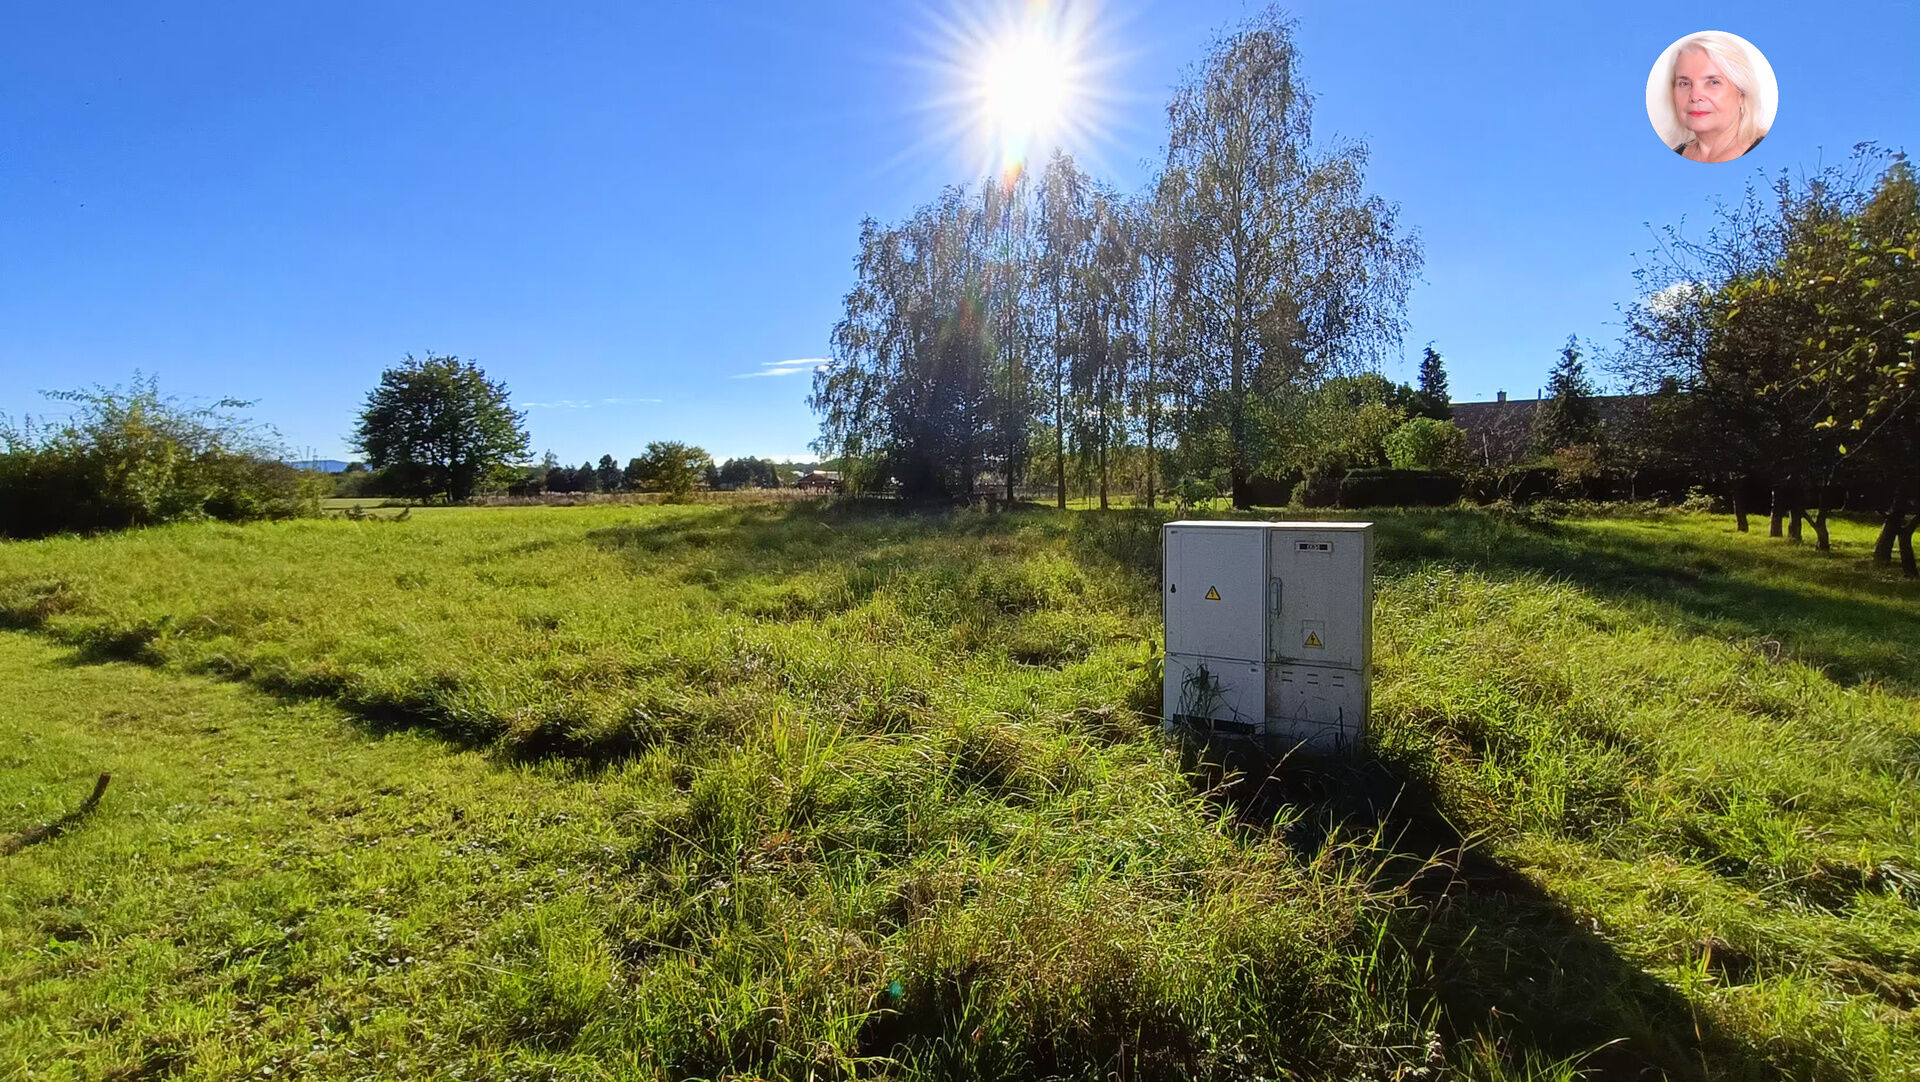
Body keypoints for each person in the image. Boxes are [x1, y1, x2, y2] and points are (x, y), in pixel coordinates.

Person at [1668, 33, 1768, 163]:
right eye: (1684, 83)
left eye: (1713, 82)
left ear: (1742, 94)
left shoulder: (1767, 158)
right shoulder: (1674, 156)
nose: (1695, 96)